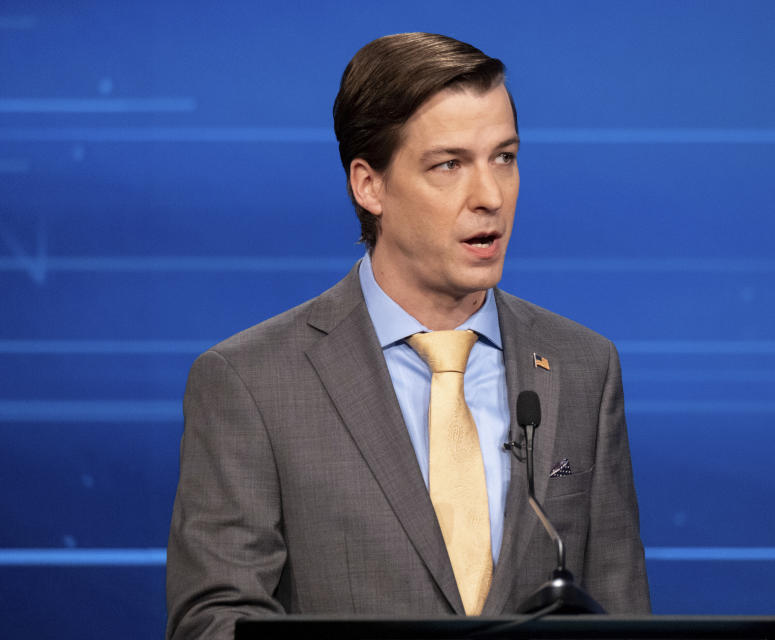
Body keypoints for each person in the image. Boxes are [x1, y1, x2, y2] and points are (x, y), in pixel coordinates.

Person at [166, 32, 650, 640]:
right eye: (449, 165)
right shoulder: (251, 384)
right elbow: (215, 623)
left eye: (504, 157)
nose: (490, 196)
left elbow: (622, 610)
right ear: (369, 186)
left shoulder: (584, 366)